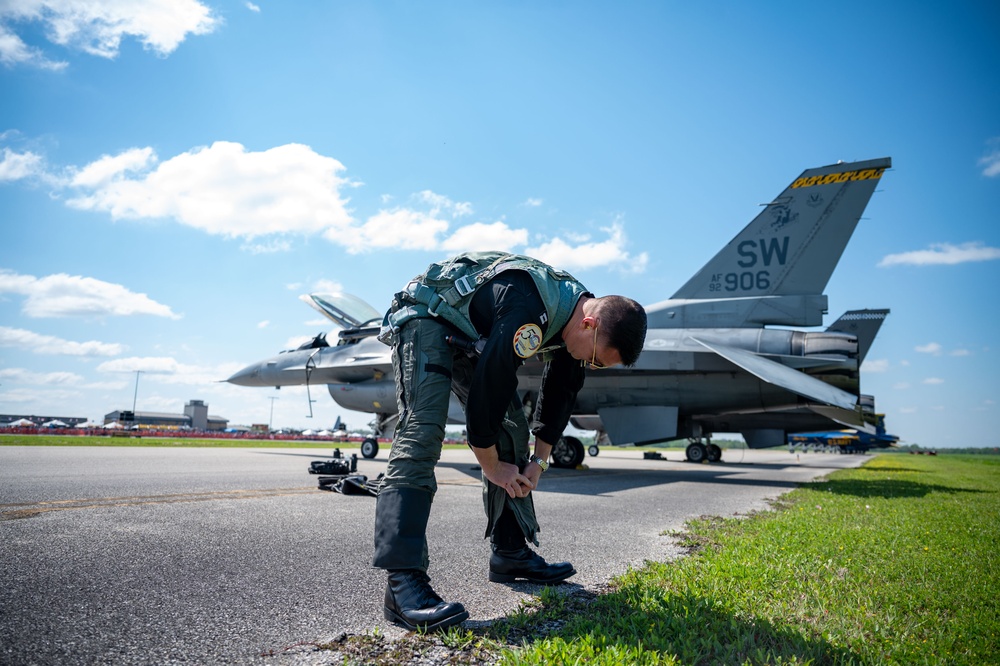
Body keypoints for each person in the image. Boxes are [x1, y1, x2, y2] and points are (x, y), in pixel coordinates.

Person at [372, 251, 647, 631]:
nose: (594, 366)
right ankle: (402, 585)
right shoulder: (529, 309)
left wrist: (539, 461)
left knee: (512, 430)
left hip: (472, 333)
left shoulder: (575, 322)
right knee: (422, 431)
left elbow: (561, 391)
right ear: (589, 325)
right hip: (428, 318)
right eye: (598, 360)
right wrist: (490, 465)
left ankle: (510, 552)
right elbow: (492, 384)